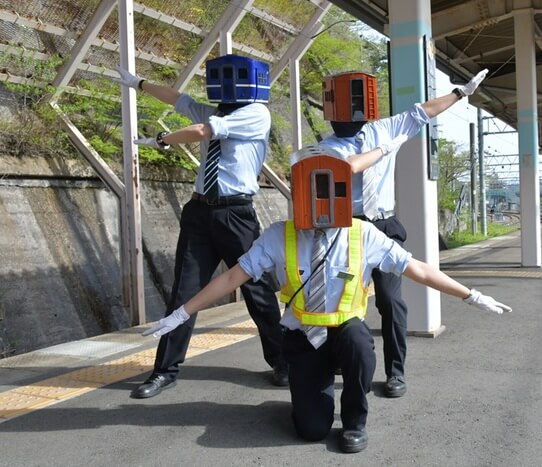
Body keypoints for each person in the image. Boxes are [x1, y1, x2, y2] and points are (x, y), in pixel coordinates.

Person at [142, 147, 511, 453]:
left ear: (342, 192)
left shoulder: (362, 233)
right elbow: (231, 276)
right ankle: (309, 400)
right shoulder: (278, 236)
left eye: (329, 188)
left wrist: (471, 295)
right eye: (310, 189)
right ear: (297, 192)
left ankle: (354, 420)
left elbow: (417, 268)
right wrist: (182, 312)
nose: (320, 200)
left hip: (345, 329)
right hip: (303, 337)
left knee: (358, 343)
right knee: (311, 430)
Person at [113, 54, 288, 399]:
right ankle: (165, 370)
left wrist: (162, 139)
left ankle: (283, 360)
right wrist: (138, 84)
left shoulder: (256, 113)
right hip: (199, 211)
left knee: (256, 290)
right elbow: (180, 100)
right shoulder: (215, 111)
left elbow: (203, 132)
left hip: (236, 213)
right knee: (184, 292)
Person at [318, 69, 489, 398]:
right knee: (337, 298)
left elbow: (423, 111)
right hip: (347, 228)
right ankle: (338, 357)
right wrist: (384, 150)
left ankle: (396, 370)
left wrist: (459, 93)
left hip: (383, 225)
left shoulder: (386, 128)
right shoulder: (327, 146)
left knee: (391, 301)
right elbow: (349, 166)